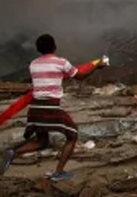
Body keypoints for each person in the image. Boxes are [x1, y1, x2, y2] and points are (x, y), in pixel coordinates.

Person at [1, 34, 107, 181]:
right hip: (50, 107)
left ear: (38, 49)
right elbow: (80, 75)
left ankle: (13, 152)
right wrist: (96, 65)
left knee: (42, 142)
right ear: (55, 46)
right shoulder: (61, 62)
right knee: (72, 135)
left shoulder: (33, 64)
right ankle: (59, 172)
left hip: (35, 108)